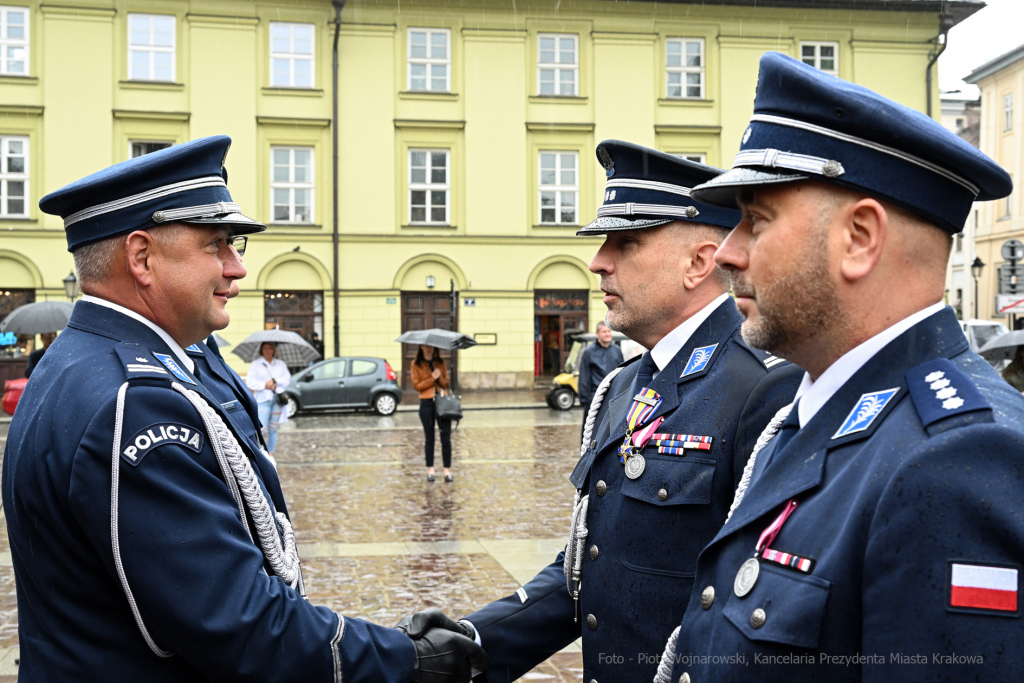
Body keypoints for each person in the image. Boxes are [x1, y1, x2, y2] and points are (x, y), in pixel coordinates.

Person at [3, 136, 487, 682]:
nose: (237, 268)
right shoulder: (134, 402)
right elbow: (240, 624)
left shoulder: (81, 361)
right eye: (216, 245)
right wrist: (409, 658)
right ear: (141, 257)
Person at [655, 52, 1024, 683]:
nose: (725, 252)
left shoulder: (955, 460)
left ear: (859, 238)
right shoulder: (815, 415)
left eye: (755, 219)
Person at [401, 141, 802, 683]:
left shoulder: (766, 389)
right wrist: (472, 642)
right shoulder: (623, 386)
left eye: (625, 242)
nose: (598, 262)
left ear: (698, 262)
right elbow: (591, 567)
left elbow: (764, 616)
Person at [410, 345, 453, 482]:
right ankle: (431, 469)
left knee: (445, 437)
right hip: (426, 404)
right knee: (430, 438)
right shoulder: (416, 364)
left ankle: (447, 470)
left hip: (443, 403)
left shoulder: (440, 363)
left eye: (431, 346)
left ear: (435, 348)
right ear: (421, 347)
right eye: (426, 346)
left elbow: (447, 384)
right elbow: (417, 386)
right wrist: (432, 378)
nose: (428, 348)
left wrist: (439, 377)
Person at [245, 341, 291, 456]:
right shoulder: (256, 364)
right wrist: (264, 385)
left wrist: (275, 381)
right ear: (261, 350)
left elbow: (287, 379)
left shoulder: (280, 364)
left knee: (273, 428)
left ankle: (270, 454)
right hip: (263, 400)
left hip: (277, 400)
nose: (267, 350)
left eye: (270, 348)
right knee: (261, 429)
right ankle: (259, 453)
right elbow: (250, 382)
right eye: (265, 348)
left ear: (274, 350)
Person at [577, 321, 623, 417]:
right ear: (597, 334)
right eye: (604, 332)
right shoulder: (588, 352)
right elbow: (584, 377)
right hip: (595, 398)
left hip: (613, 397)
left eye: (609, 331)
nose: (607, 334)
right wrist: (584, 399)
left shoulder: (616, 350)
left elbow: (622, 373)